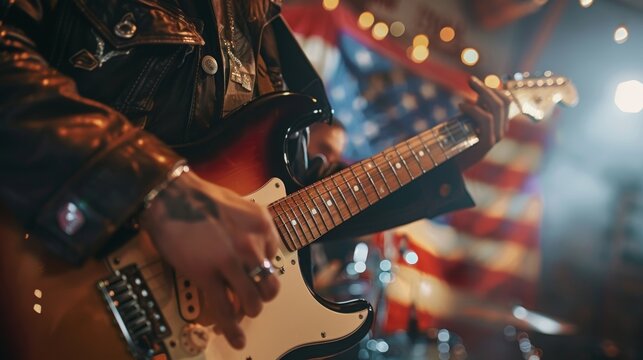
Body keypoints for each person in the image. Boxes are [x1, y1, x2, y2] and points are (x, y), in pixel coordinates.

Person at [0, 0, 519, 353]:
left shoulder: (255, 20)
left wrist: (448, 164)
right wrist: (156, 188)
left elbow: (291, 205)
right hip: (43, 272)